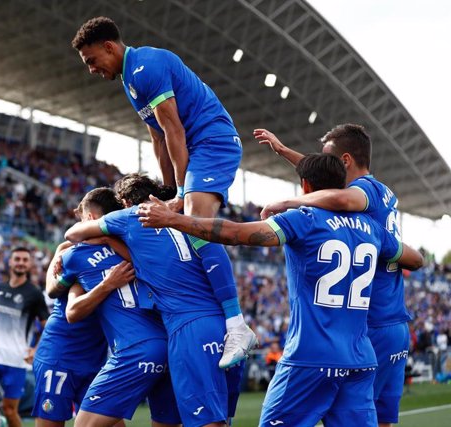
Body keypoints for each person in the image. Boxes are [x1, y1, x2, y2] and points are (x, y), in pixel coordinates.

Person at [137, 153, 424, 426]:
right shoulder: (371, 228)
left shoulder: (305, 219)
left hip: (310, 358)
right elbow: (416, 259)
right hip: (360, 361)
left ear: (306, 186)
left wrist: (174, 219)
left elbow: (236, 234)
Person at [72, 17, 247, 354]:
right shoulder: (129, 80)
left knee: (195, 219)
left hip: (212, 142)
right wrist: (168, 189)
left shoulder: (146, 67)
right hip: (194, 149)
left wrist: (182, 194)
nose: (91, 69)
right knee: (180, 218)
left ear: (109, 47)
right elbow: (157, 138)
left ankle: (236, 324)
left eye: (92, 60)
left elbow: (175, 132)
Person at [254, 125, 412, 427]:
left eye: (331, 158)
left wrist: (289, 203)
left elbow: (338, 198)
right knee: (375, 420)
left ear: (347, 161)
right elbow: (321, 176)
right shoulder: (383, 192)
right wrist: (285, 152)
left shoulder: (362, 191)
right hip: (391, 318)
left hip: (371, 322)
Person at [65, 176, 248, 427]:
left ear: (127, 202)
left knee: (206, 421)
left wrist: (103, 240)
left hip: (187, 329)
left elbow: (73, 233)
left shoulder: (131, 218)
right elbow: (218, 262)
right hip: (221, 325)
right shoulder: (190, 220)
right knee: (213, 419)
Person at [48, 187, 180, 427]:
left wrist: (59, 255)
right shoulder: (139, 247)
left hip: (134, 349)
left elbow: (62, 301)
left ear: (89, 219)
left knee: (84, 425)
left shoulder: (74, 256)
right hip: (169, 345)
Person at [31, 227, 109, 425]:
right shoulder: (73, 252)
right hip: (60, 357)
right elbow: (52, 290)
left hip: (96, 360)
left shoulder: (124, 251)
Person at [0, 247, 50, 427]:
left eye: (24, 260)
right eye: (17, 259)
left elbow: (47, 325)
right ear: (10, 262)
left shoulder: (34, 293)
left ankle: (2, 420)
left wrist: (36, 349)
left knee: (10, 410)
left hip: (16, 360)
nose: (20, 263)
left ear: (29, 264)